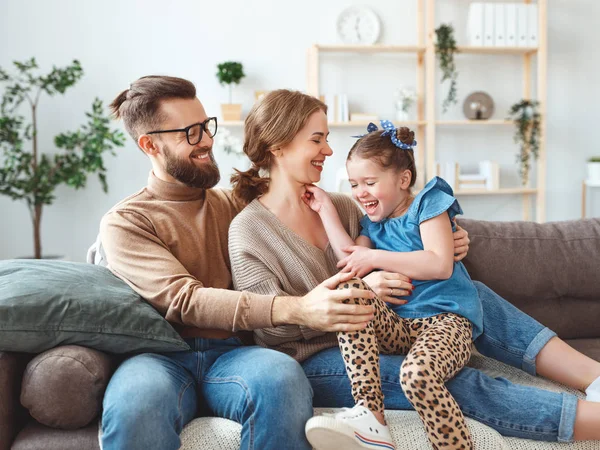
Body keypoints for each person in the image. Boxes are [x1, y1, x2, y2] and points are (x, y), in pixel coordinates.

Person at [228, 88, 600, 449]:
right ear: (278, 146)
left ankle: (592, 374)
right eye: (317, 139)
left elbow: (395, 241)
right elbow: (270, 327)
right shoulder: (248, 228)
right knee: (444, 381)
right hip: (321, 356)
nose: (328, 150)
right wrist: (363, 287)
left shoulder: (341, 205)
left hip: (394, 326)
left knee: (471, 293)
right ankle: (589, 420)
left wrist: (452, 241)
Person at [97, 75, 383, 450]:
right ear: (150, 144)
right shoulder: (127, 220)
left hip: (235, 356)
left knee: (281, 378)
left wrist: (431, 228)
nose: (208, 141)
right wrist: (297, 309)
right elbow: (185, 301)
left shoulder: (235, 205)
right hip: (160, 358)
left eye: (206, 126)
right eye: (191, 133)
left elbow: (294, 192)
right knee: (135, 405)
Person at [299, 122, 481, 450]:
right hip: (399, 327)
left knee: (416, 375)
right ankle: (371, 416)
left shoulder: (429, 203)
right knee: (349, 292)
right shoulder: (373, 223)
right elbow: (351, 259)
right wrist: (325, 207)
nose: (360, 192)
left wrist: (377, 257)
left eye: (370, 182)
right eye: (354, 184)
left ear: (403, 180)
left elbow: (439, 264)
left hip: (445, 322)